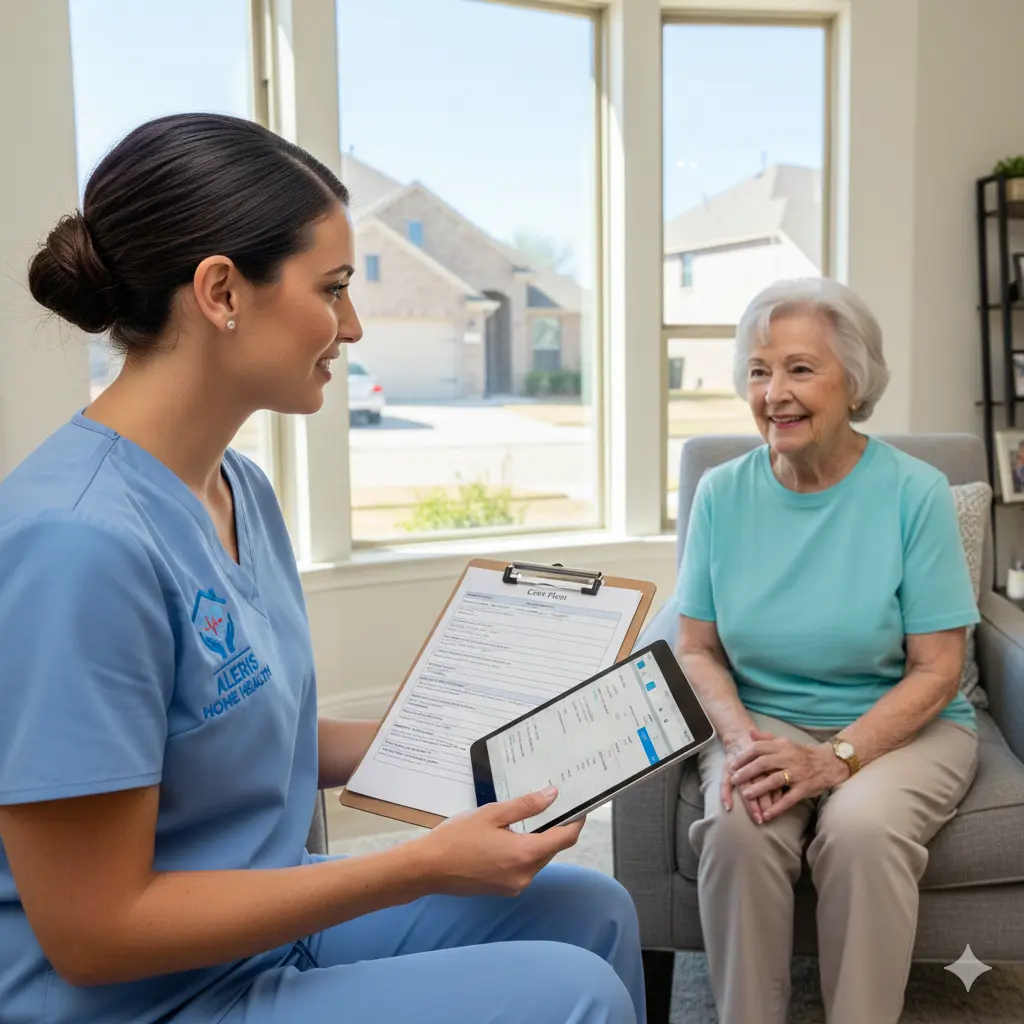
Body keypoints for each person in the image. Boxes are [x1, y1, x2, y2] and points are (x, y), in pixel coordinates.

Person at [0, 113, 645, 1024]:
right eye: (334, 288)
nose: (353, 325)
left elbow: (243, 741)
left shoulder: (241, 490)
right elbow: (94, 932)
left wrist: (474, 742)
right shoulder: (74, 546)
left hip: (251, 931)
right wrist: (416, 863)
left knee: (589, 908)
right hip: (142, 999)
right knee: (571, 994)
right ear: (221, 291)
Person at [673, 277, 979, 1024]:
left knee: (861, 829)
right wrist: (741, 739)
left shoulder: (916, 493)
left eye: (801, 369)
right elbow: (696, 647)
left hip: (902, 724)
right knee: (740, 826)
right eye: (758, 370)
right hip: (763, 718)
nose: (774, 392)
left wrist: (836, 758)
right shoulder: (721, 493)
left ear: (856, 380)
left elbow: (938, 668)